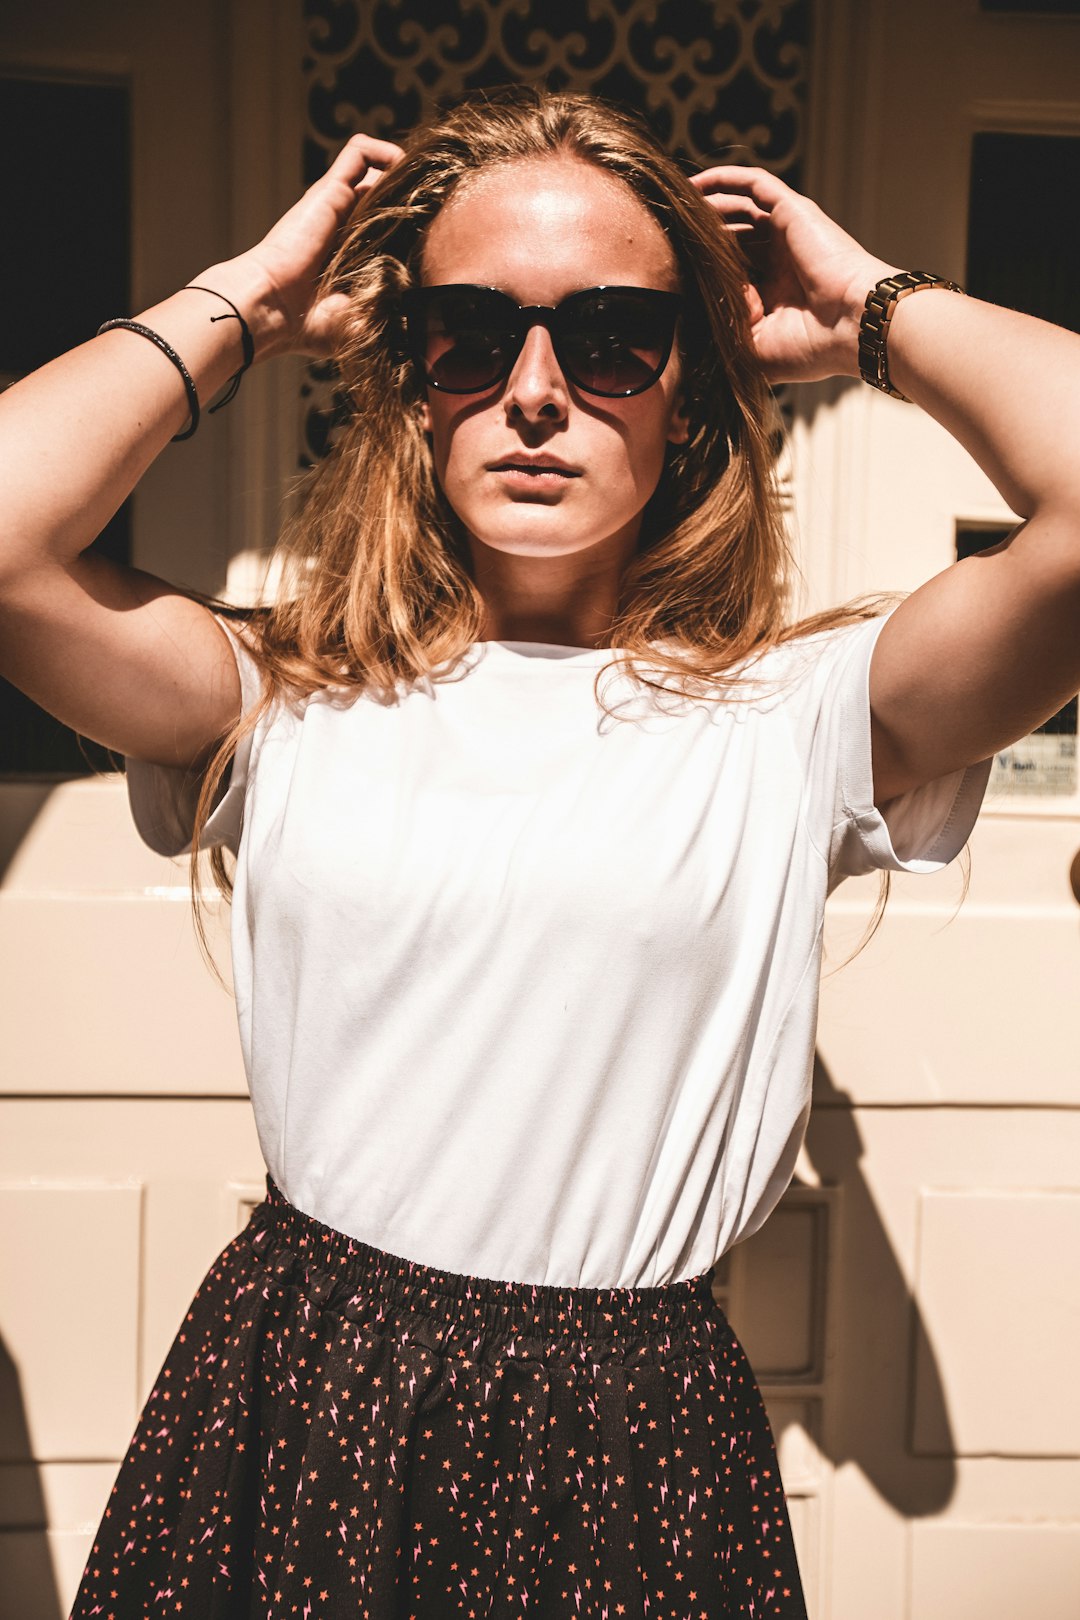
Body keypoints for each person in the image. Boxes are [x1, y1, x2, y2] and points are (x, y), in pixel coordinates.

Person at [1, 84, 1076, 1620]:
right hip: (302, 1400)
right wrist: (244, 304)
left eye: (614, 338)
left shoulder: (799, 719)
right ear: (412, 380)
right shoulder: (281, 694)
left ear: (687, 390)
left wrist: (869, 312)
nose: (535, 391)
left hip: (638, 1448)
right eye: (468, 333)